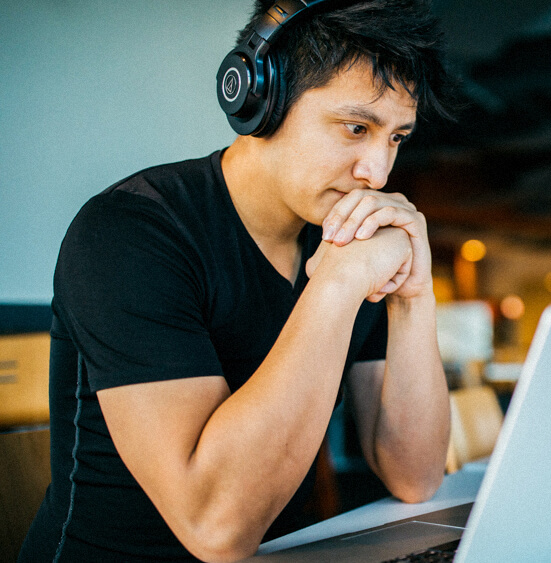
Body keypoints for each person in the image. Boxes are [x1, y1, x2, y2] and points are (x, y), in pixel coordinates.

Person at [19, 1, 458, 561]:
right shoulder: (129, 233)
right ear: (259, 99)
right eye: (356, 127)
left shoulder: (347, 239)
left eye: (396, 137)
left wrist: (412, 295)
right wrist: (337, 285)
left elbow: (415, 476)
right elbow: (214, 528)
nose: (377, 171)